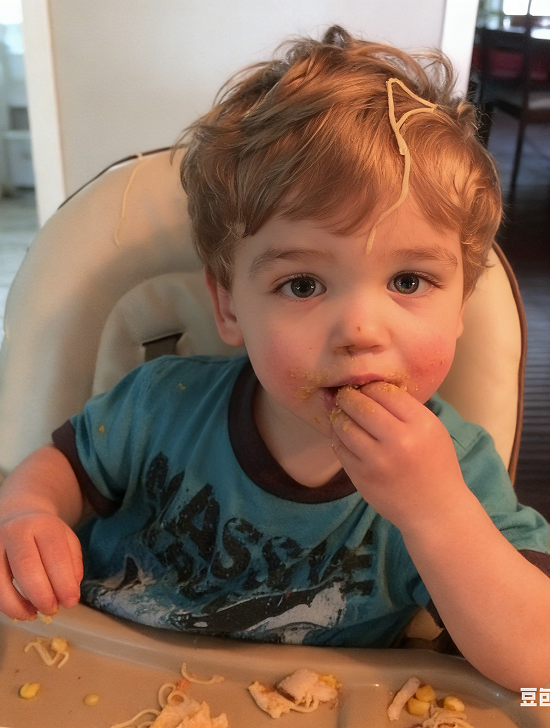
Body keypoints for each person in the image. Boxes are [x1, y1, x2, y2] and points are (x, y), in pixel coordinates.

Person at [0, 26, 549, 692]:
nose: (359, 331)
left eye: (408, 280)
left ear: (461, 305)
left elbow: (538, 665)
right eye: (303, 285)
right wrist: (26, 513)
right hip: (89, 683)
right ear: (229, 307)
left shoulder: (455, 475)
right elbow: (63, 465)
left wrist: (437, 516)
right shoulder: (160, 404)